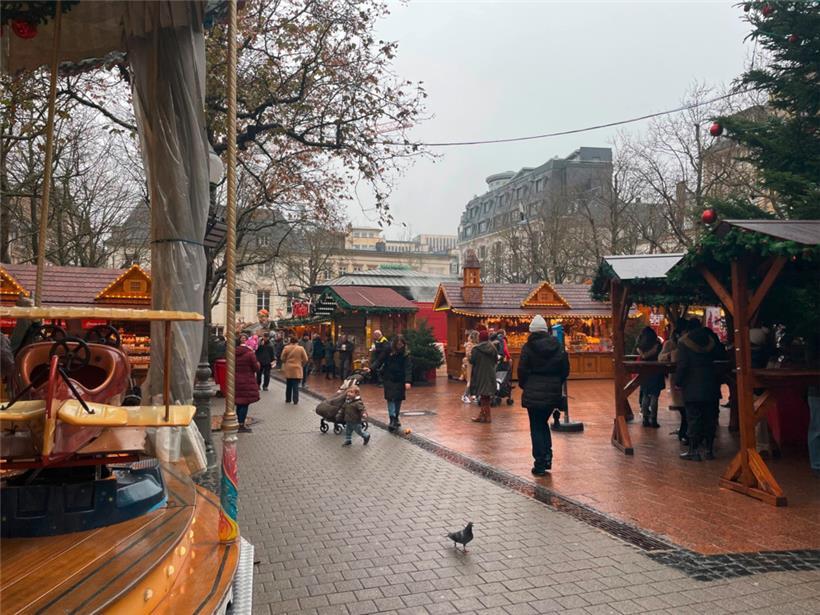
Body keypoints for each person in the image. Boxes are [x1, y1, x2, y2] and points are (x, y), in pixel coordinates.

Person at [518, 315, 570, 475]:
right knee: (543, 424)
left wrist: (525, 385)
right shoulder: (558, 346)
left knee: (536, 426)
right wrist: (557, 383)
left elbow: (522, 370)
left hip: (533, 391)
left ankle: (540, 462)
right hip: (552, 392)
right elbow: (565, 370)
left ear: (532, 331)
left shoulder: (528, 347)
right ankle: (547, 456)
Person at [674, 322, 725, 461]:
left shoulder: (684, 342)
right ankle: (709, 450)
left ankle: (693, 450)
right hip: (711, 383)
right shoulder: (711, 341)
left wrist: (678, 382)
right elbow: (723, 355)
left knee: (693, 418)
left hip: (692, 386)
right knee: (710, 418)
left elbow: (682, 365)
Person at [372, 335, 412, 432]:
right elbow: (379, 360)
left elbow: (408, 367)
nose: (400, 346)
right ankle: (392, 418)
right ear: (394, 344)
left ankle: (396, 416)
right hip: (388, 377)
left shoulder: (405, 353)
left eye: (401, 344)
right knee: (390, 398)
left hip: (400, 378)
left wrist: (408, 381)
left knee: (398, 399)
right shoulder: (388, 350)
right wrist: (371, 368)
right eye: (398, 344)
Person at [659, 327, 687, 444]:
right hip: (676, 379)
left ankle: (685, 431)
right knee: (682, 407)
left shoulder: (688, 344)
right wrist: (671, 355)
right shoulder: (669, 344)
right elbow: (661, 357)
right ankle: (684, 431)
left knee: (687, 408)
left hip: (687, 378)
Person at [635, 326, 665, 428]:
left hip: (644, 371)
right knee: (654, 396)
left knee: (645, 395)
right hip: (656, 371)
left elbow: (642, 356)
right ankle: (654, 419)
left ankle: (645, 419)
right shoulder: (657, 344)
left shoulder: (640, 344)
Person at [469, 330, 499, 423]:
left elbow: (472, 361)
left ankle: (487, 416)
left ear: (480, 338)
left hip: (480, 373)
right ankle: (482, 415)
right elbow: (495, 360)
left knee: (483, 396)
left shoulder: (476, 349)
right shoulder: (493, 348)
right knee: (486, 396)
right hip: (490, 373)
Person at [235, 334, 260, 433]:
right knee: (245, 403)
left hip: (236, 380)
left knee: (239, 402)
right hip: (247, 380)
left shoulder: (233, 352)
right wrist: (258, 364)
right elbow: (256, 368)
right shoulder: (250, 354)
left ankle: (239, 422)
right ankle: (241, 424)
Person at [280, 336, 309, 404]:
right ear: (297, 342)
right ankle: (295, 400)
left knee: (289, 385)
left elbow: (282, 358)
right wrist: (302, 364)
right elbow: (306, 359)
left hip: (289, 368)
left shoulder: (286, 348)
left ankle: (288, 399)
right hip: (297, 368)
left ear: (291, 341)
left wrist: (286, 362)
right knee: (295, 385)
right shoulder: (301, 348)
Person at [462, 331, 479, 404]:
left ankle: (473, 395)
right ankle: (465, 396)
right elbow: (468, 355)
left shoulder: (475, 345)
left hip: (474, 364)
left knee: (475, 380)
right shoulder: (470, 345)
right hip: (470, 365)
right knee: (470, 381)